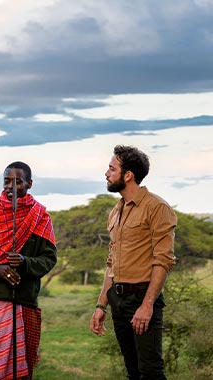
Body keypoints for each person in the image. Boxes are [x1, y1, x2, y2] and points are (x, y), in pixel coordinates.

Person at [90, 145, 176, 380]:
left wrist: (147, 306)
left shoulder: (157, 207)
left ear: (128, 175)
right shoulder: (115, 212)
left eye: (111, 168)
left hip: (142, 298)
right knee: (133, 372)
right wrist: (101, 306)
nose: (106, 173)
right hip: (118, 298)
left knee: (151, 373)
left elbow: (163, 261)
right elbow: (112, 263)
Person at [0, 161, 57, 380]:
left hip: (25, 300)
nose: (11, 186)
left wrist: (25, 262)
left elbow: (48, 259)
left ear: (29, 184)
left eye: (18, 182)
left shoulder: (40, 217)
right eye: (7, 181)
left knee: (22, 367)